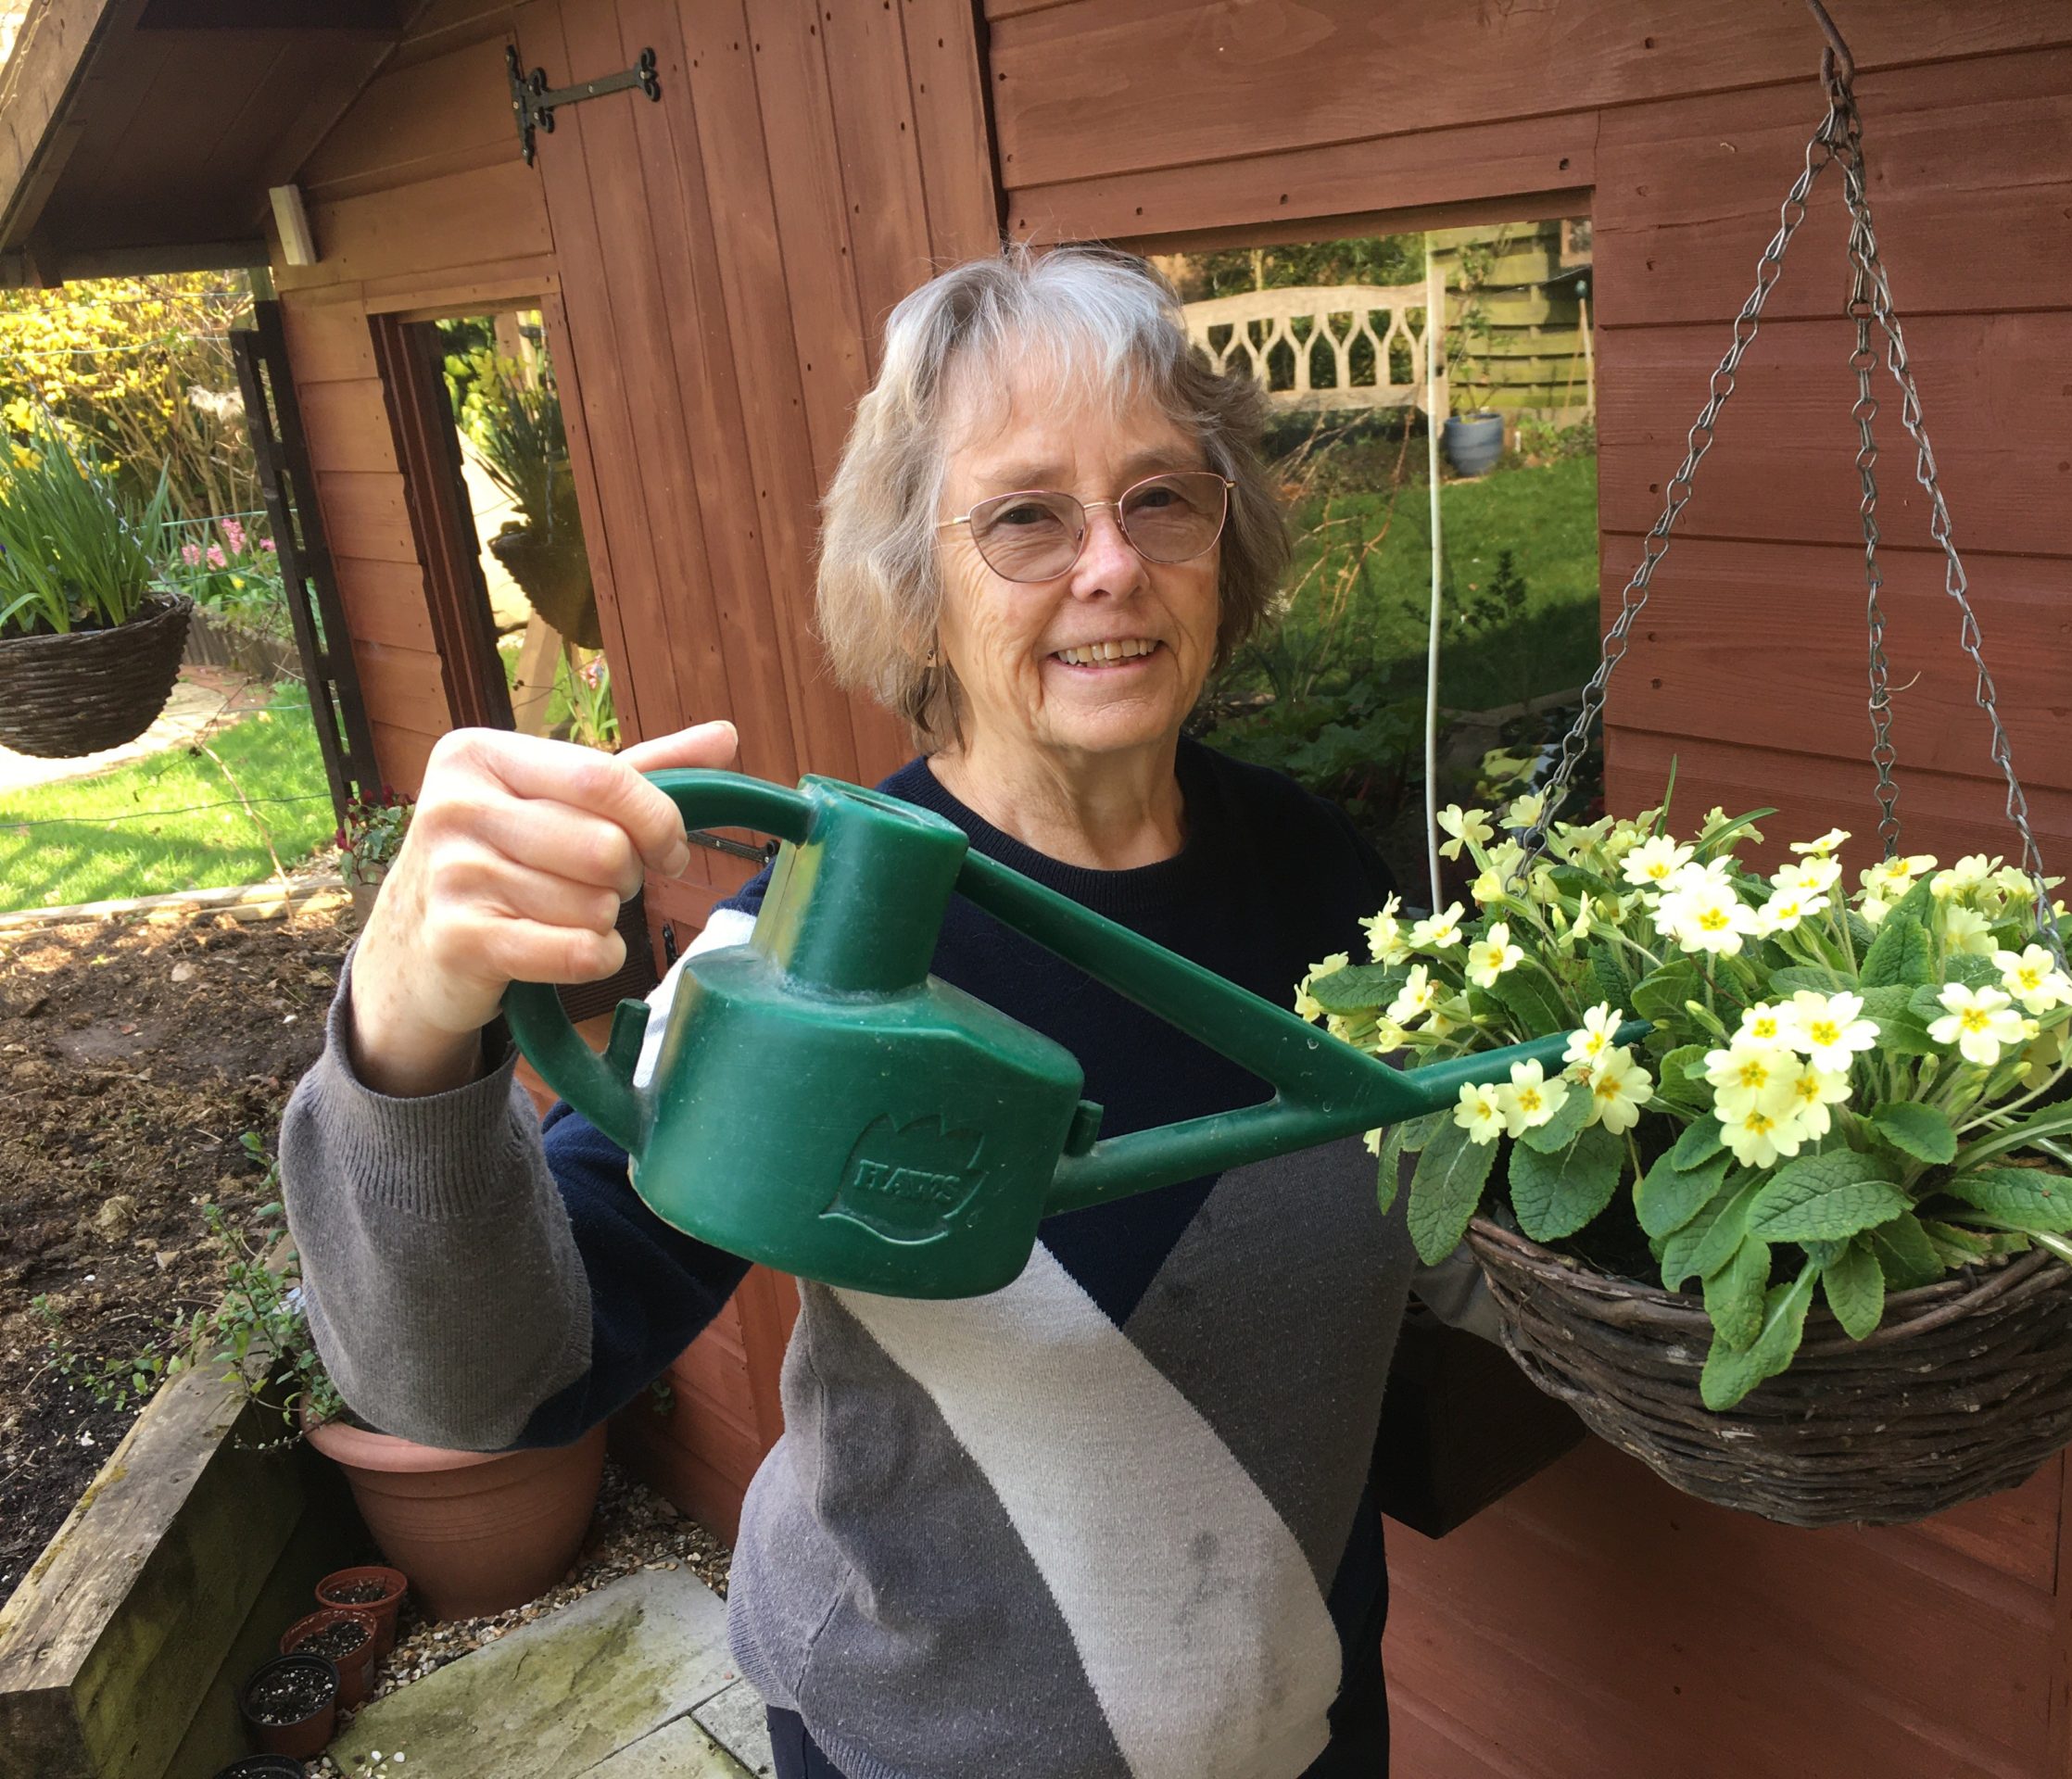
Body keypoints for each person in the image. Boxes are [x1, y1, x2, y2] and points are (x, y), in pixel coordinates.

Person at [283, 243, 1484, 1779]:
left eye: (1161, 498)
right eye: (1026, 518)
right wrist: (407, 1038)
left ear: (1223, 543)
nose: (1109, 564)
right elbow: (492, 1379)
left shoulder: (1321, 879)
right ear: (916, 589)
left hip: (1298, 1727)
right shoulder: (825, 942)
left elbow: (1450, 1215)